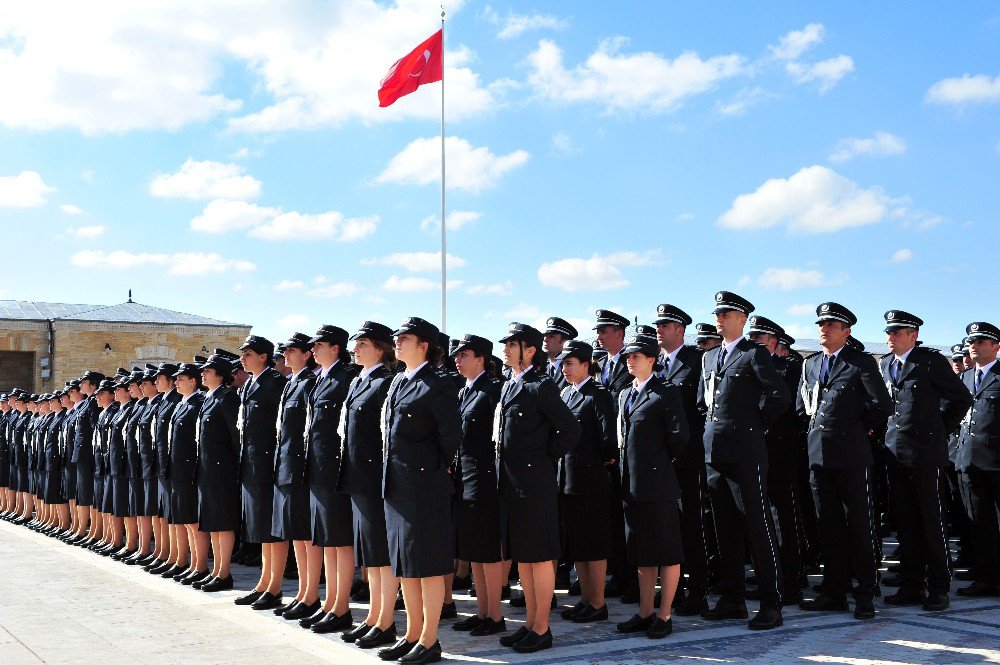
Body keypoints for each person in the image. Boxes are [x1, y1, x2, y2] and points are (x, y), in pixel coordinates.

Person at [697, 291, 790, 630]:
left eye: (727, 314)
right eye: (717, 313)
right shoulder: (709, 358)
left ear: (742, 319)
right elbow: (702, 403)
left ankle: (771, 602)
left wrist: (757, 425)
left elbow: (779, 395)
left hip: (745, 452)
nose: (719, 318)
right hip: (715, 454)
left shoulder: (754, 354)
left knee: (757, 525)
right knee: (725, 529)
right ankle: (732, 598)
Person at [796, 303, 891, 620]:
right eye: (821, 323)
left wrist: (858, 428)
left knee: (859, 527)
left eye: (832, 325)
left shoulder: (860, 362)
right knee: (829, 528)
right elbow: (803, 408)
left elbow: (882, 405)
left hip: (851, 456)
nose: (824, 328)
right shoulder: (810, 365)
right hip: (818, 458)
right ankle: (833, 592)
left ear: (846, 330)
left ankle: (864, 593)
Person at [374, 316, 462, 664]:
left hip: (425, 486)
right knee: (405, 566)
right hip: (396, 486)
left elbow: (450, 434)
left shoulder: (437, 383)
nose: (396, 342)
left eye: (404, 338)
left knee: (426, 565)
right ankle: (411, 633)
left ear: (423, 345)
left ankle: (429, 639)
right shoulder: (398, 382)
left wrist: (432, 467)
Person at [496, 322, 580, 654]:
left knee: (541, 558)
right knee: (526, 560)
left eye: (511, 344)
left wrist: (544, 457)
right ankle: (530, 624)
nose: (504, 350)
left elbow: (570, 428)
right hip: (514, 486)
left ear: (529, 350)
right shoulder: (510, 386)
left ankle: (542, 628)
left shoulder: (539, 387)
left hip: (536, 485)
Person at [880, 310, 972, 611]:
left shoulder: (929, 361)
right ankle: (911, 584)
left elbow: (960, 398)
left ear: (912, 335)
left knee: (932, 522)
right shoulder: (886, 364)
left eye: (897, 332)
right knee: (905, 523)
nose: (890, 337)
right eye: (889, 332)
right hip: (895, 454)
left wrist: (939, 429)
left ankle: (938, 586)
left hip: (926, 455)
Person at [615, 332, 689, 639]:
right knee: (642, 551)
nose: (630, 361)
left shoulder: (665, 393)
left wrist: (657, 465)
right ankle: (645, 611)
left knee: (667, 551)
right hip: (631, 486)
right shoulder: (624, 393)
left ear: (651, 360)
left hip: (658, 484)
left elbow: (679, 437)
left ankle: (665, 614)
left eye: (636, 357)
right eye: (628, 357)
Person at [337, 321, 397, 645]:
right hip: (357, 476)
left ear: (380, 348)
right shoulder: (359, 381)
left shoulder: (384, 383)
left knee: (380, 554)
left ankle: (386, 621)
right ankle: (374, 615)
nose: (355, 348)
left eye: (362, 344)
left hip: (374, 478)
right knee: (369, 554)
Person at [654, 303, 710, 615]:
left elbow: (702, 409)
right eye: (658, 325)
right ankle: (673, 589)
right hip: (661, 461)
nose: (659, 329)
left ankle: (698, 590)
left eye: (666, 325)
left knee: (692, 526)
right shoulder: (654, 362)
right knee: (666, 528)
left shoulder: (696, 361)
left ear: (680, 330)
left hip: (688, 459)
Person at [302, 325, 359, 632]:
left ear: (335, 348)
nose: (313, 350)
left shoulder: (345, 378)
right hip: (318, 469)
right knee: (328, 542)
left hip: (335, 470)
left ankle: (341, 607)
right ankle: (330, 604)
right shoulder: (321, 378)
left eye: (318, 345)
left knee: (339, 540)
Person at [450, 333, 507, 637]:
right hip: (466, 479)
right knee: (474, 549)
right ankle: (482, 611)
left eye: (464, 355)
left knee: (488, 549)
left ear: (482, 358)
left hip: (486, 480)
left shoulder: (492, 390)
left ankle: (495, 615)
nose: (457, 360)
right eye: (457, 355)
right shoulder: (465, 391)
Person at [555, 340, 616, 624]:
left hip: (591, 478)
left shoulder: (598, 395)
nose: (564, 368)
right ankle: (585, 600)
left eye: (570, 363)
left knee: (594, 542)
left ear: (585, 364)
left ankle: (598, 602)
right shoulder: (565, 394)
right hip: (567, 477)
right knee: (578, 542)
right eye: (564, 363)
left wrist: (599, 462)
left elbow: (607, 438)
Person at [747, 315, 805, 604]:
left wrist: (763, 423)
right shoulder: (748, 366)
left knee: (784, 516)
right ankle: (767, 577)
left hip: (780, 450)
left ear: (773, 342)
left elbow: (790, 406)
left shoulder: (789, 368)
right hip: (754, 450)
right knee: (760, 517)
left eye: (760, 339)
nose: (754, 343)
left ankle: (792, 581)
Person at [231, 335, 290, 610]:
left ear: (264, 356)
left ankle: (274, 586)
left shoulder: (275, 384)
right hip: (252, 464)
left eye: (248, 354)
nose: (243, 359)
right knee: (260, 529)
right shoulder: (249, 385)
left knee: (271, 529)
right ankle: (264, 582)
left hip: (268, 466)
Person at [272, 332, 321, 621]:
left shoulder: (308, 384)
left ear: (306, 355)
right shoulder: (293, 383)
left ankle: (311, 595)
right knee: (297, 537)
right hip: (288, 465)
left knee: (305, 535)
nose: (286, 356)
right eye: (285, 351)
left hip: (302, 467)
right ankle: (303, 592)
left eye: (292, 351)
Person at [955, 321, 1000, 597]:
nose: (974, 345)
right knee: (978, 522)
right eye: (972, 341)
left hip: (996, 462)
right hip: (968, 460)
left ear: (996, 347)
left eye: (981, 341)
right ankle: (987, 577)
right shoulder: (964, 378)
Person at [195, 353, 241, 591]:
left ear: (220, 376)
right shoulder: (209, 398)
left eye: (208, 371)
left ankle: (224, 573)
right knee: (213, 523)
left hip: (222, 470)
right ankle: (216, 570)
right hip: (207, 470)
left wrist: (230, 464)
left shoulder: (227, 398)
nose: (202, 373)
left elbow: (236, 436)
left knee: (222, 523)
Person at [165, 363, 207, 580]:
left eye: (181, 379)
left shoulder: (198, 403)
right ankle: (191, 565)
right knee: (185, 521)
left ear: (193, 381)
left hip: (190, 469)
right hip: (178, 469)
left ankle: (200, 566)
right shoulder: (182, 404)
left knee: (193, 520)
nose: (177, 382)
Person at [147, 364, 182, 574]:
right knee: (161, 512)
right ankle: (163, 552)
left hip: (171, 463)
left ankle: (175, 556)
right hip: (160, 463)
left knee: (171, 514)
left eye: (159, 379)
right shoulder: (164, 401)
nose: (155, 382)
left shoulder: (175, 401)